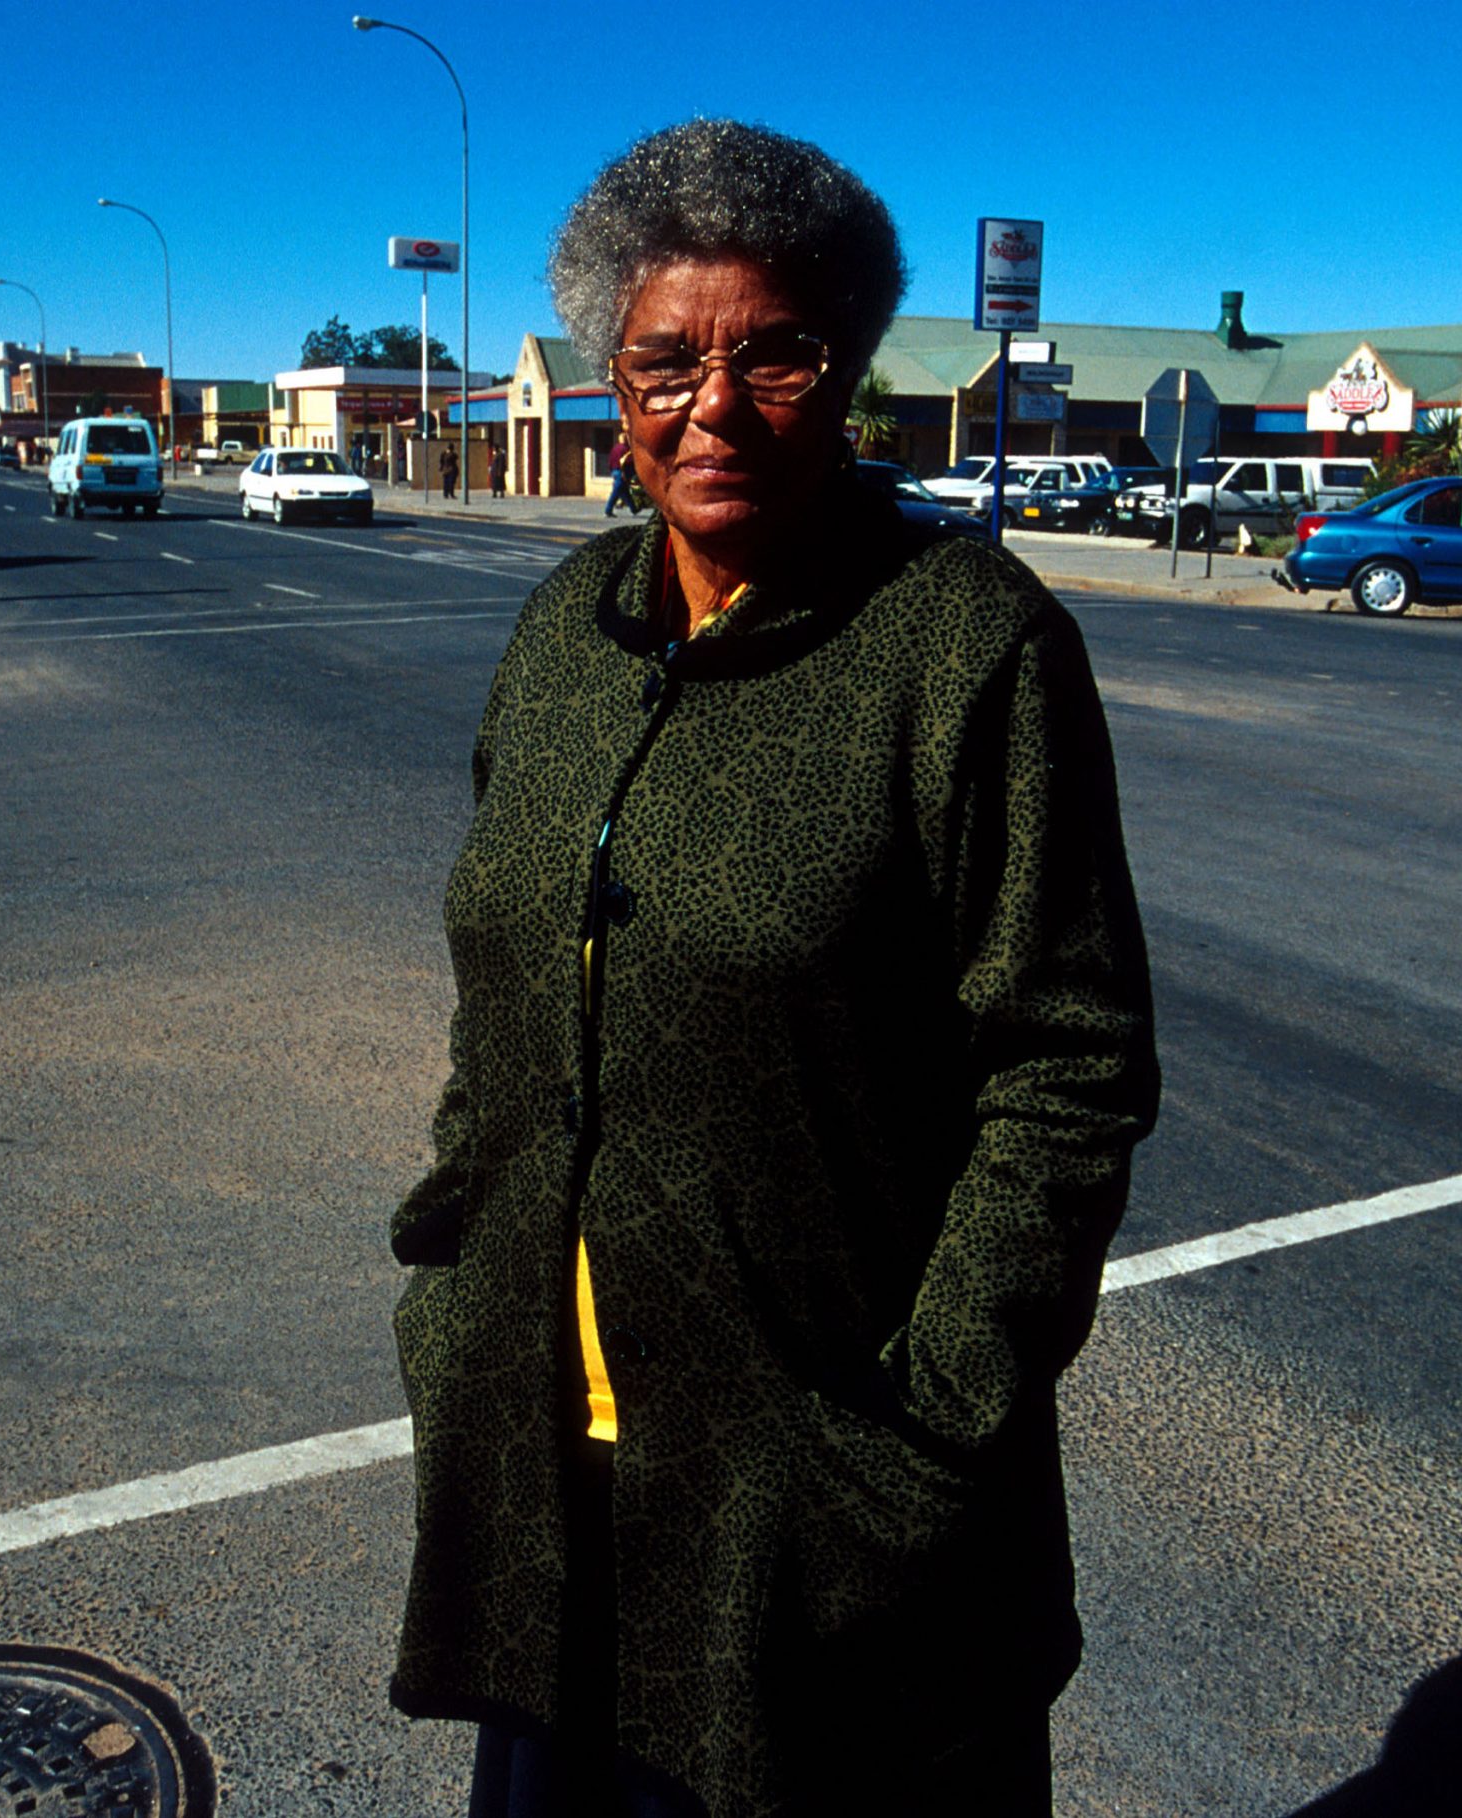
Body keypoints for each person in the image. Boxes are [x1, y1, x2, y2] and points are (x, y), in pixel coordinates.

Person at [387, 119, 1160, 1818]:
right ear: (610, 376)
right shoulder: (567, 632)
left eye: (776, 354)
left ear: (853, 366)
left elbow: (1069, 1063)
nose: (713, 407)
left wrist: (925, 1423)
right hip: (556, 1452)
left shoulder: (967, 644)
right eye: (665, 360)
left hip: (819, 1492)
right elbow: (503, 964)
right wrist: (452, 1248)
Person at [603, 432, 634, 516]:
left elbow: (610, 460)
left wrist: (611, 471)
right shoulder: (626, 449)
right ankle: (608, 510)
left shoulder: (614, 448)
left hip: (614, 471)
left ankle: (633, 508)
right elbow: (627, 462)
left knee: (624, 491)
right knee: (616, 492)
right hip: (622, 472)